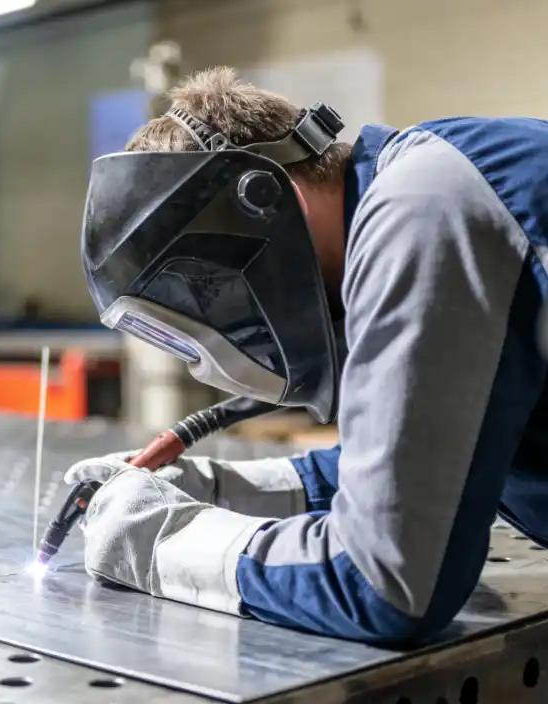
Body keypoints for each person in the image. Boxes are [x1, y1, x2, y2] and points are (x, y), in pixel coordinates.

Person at [68, 67, 548, 644]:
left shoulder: (423, 206)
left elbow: (386, 580)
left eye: (205, 297)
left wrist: (160, 540)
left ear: (264, 199)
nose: (215, 349)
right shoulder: (431, 185)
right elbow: (424, 459)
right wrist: (209, 486)